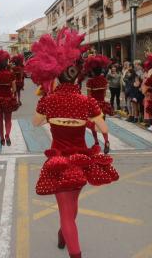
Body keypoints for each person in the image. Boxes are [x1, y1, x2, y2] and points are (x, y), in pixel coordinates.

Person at [27, 27, 118, 258]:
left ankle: (74, 251)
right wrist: (84, 118)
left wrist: (51, 113)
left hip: (58, 160)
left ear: (57, 76)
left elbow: (35, 123)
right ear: (77, 76)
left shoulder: (49, 101)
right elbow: (104, 128)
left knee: (66, 211)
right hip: (81, 160)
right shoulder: (86, 101)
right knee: (72, 207)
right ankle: (63, 234)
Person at [84, 55, 113, 145]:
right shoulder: (104, 80)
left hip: (94, 105)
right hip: (102, 105)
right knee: (102, 124)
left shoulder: (90, 82)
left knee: (94, 125)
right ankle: (106, 140)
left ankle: (96, 141)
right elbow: (104, 94)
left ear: (92, 71)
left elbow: (89, 96)